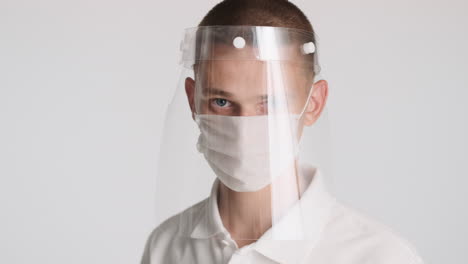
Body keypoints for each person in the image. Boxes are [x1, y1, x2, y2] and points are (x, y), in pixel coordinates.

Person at [141, 0, 424, 263]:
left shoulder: (379, 256)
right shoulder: (167, 246)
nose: (244, 130)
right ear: (193, 99)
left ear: (313, 103)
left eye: (271, 103)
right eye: (222, 102)